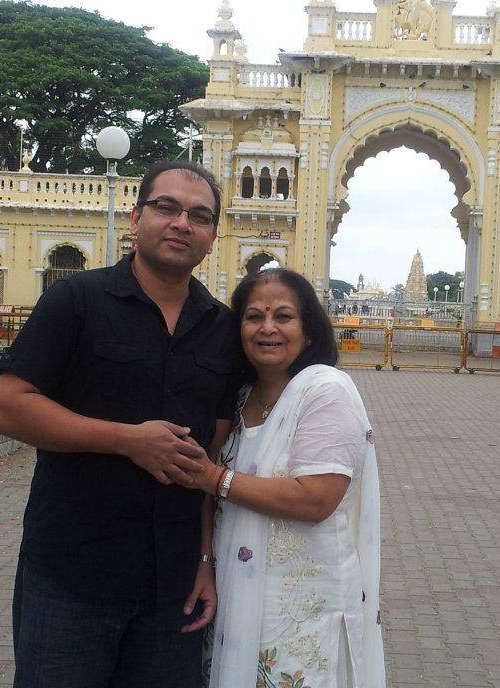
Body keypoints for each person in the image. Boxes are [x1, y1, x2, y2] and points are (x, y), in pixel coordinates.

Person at [0, 161, 241, 688]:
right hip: (72, 575)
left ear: (213, 236)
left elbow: (208, 463)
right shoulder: (76, 300)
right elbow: (7, 407)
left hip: (172, 589)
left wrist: (204, 560)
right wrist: (128, 440)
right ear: (135, 217)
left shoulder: (221, 330)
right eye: (165, 207)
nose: (181, 224)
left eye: (199, 216)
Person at [185, 268, 386, 688]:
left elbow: (316, 500)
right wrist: (205, 561)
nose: (268, 328)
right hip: (235, 592)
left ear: (309, 330)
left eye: (283, 316)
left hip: (302, 607)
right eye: (254, 316)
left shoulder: (325, 391)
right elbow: (210, 495)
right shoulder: (241, 397)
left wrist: (213, 477)